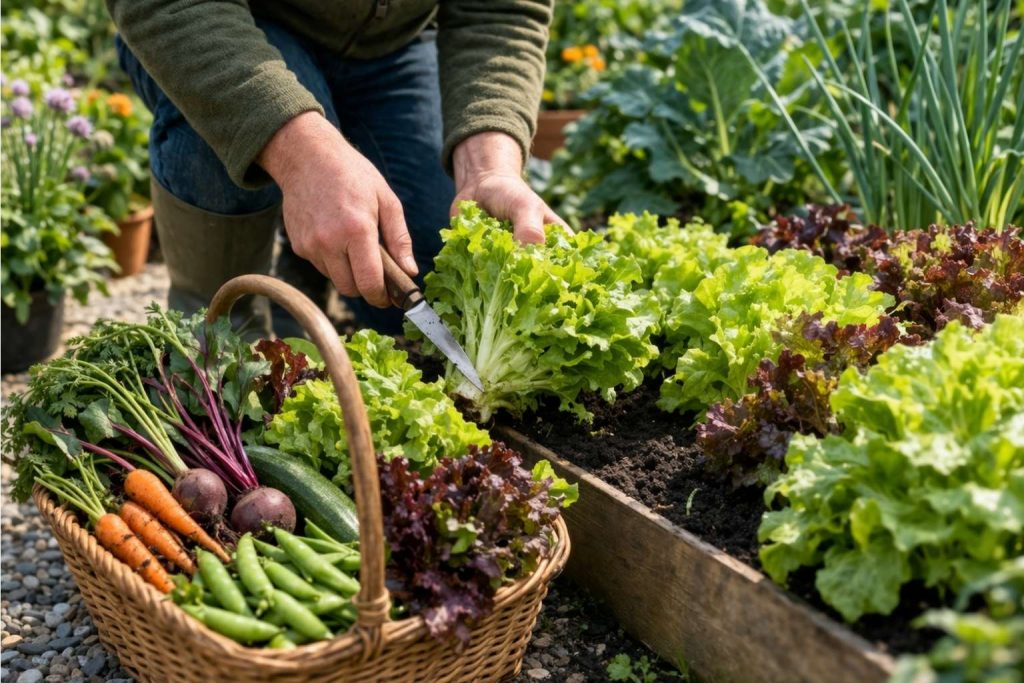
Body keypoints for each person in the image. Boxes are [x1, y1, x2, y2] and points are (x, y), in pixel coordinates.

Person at [108, 0, 565, 335]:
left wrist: (489, 167)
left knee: (433, 276)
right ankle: (213, 334)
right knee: (221, 135)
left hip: (391, 48)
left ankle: (302, 263)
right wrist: (303, 158)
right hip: (224, 24)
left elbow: (501, 9)